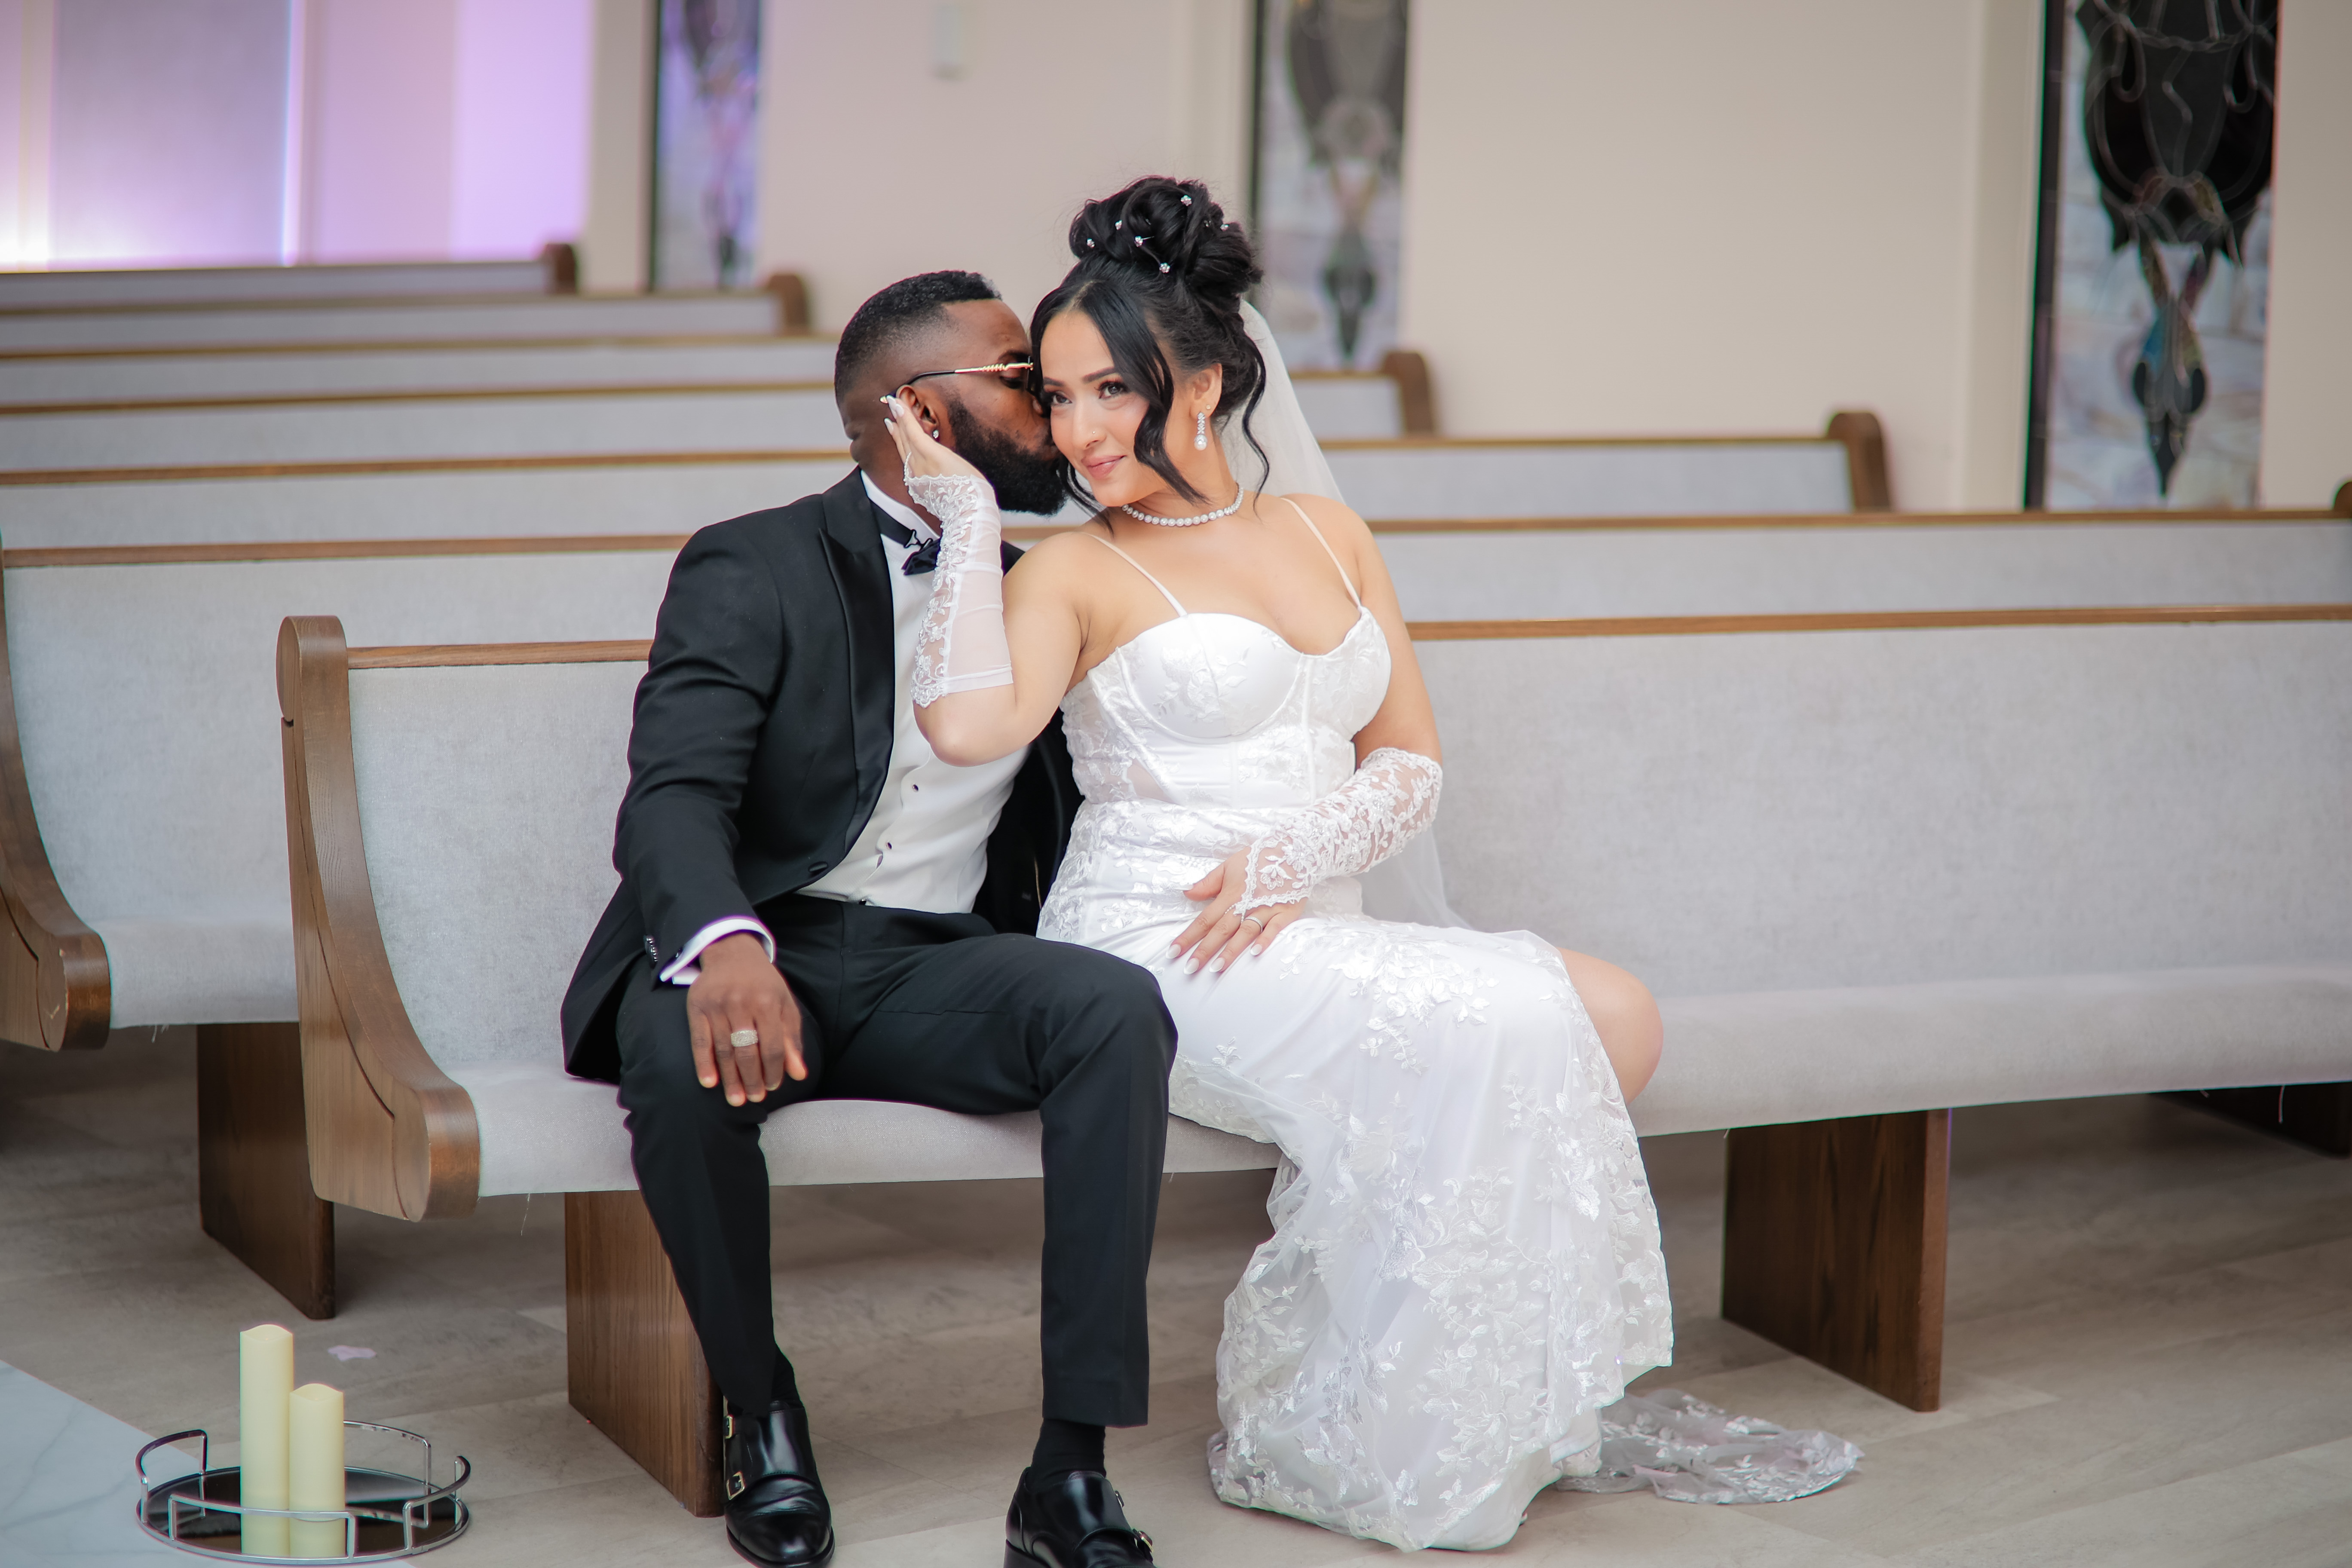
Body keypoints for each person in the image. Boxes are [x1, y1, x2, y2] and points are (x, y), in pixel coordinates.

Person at [882, 178, 1674, 1552]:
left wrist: (1298, 852)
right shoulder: (1071, 569)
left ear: (1200, 381)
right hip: (1158, 942)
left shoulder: (1331, 534)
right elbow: (964, 729)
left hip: (1302, 914)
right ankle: (1369, 1421)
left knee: (1617, 1018)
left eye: (1104, 392)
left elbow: (1411, 760)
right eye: (1057, 399)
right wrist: (962, 524)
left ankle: (1435, 1392)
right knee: (1535, 1020)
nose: (1076, 432)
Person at [560, 272, 1170, 1568]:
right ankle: (762, 1414)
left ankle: (1070, 1468)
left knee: (1112, 1011)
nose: (1053, 406)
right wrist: (726, 944)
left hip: (935, 969)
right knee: (678, 1058)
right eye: (1021, 378)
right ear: (918, 413)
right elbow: (673, 798)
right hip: (766, 945)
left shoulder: (1042, 585)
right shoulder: (757, 560)